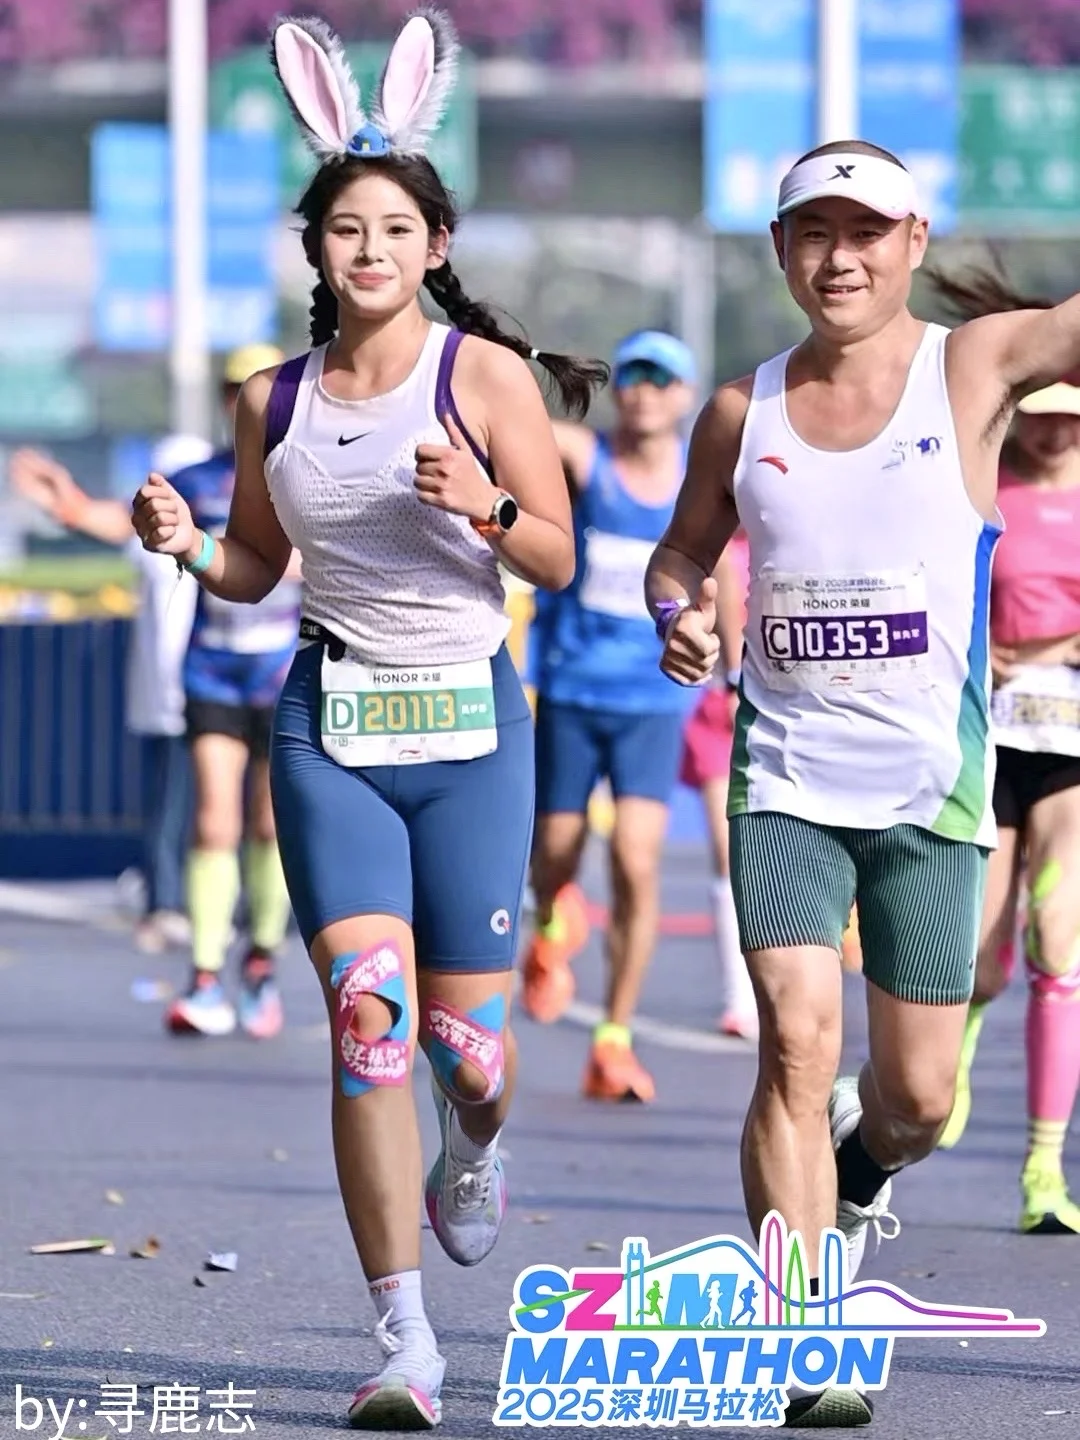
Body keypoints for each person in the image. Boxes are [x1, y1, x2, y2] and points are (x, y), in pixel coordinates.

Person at [132, 9, 605, 1429]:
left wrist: (490, 504)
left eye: (396, 227)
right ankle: (405, 1340)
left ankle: (478, 1145)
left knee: (467, 1057)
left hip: (471, 736)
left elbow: (559, 560)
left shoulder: (484, 378)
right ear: (318, 249)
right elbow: (257, 567)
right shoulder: (268, 400)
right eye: (348, 229)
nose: (371, 249)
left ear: (435, 245)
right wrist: (186, 546)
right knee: (370, 1025)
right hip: (329, 728)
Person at [645, 138, 1080, 1427]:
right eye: (814, 235)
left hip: (932, 793)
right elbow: (680, 554)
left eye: (866, 234)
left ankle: (862, 1156)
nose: (840, 260)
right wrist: (678, 614)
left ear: (913, 243)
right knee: (793, 1039)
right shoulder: (743, 411)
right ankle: (804, 1328)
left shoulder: (974, 367)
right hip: (785, 775)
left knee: (921, 1103)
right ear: (782, 251)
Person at [926, 268, 1080, 1235]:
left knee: (1058, 942)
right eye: (1041, 415)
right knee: (980, 961)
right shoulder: (983, 486)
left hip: (1071, 743)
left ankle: (1042, 1170)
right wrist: (991, 650)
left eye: (1070, 419)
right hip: (988, 735)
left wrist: (1059, 647)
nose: (1053, 432)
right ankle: (960, 1049)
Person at [519, 330, 698, 1102]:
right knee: (556, 852)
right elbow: (520, 421)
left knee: (635, 859)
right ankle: (549, 925)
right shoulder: (587, 459)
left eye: (662, 379)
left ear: (684, 395)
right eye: (633, 377)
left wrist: (730, 658)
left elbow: (723, 570)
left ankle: (615, 1038)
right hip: (571, 691)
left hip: (651, 700)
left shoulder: (698, 476)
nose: (646, 392)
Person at [9, 434, 209, 953]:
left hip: (219, 686)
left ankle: (229, 911)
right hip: (168, 693)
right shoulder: (151, 535)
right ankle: (168, 903)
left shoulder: (219, 532)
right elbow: (112, 520)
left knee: (222, 808)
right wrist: (66, 502)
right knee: (171, 804)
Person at [158, 343, 302, 1042]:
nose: (246, 403)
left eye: (261, 389)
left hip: (283, 675)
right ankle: (206, 973)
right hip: (213, 671)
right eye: (234, 390)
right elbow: (134, 524)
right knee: (215, 818)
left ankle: (262, 964)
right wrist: (76, 508)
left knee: (270, 824)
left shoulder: (306, 476)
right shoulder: (197, 480)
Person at [678, 528, 759, 1039]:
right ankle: (739, 998)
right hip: (724, 710)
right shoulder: (722, 544)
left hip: (789, 707)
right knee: (729, 855)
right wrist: (732, 677)